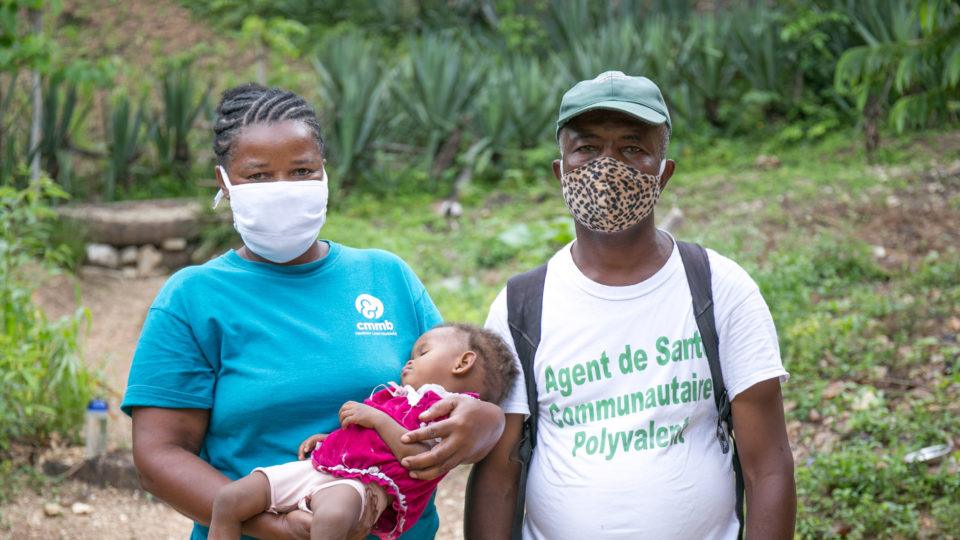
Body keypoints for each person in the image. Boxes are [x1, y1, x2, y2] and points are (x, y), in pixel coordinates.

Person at [121, 84, 506, 540]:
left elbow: (465, 393)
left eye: (302, 170)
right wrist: (275, 525)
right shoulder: (192, 298)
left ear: (325, 174)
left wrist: (487, 424)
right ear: (224, 183)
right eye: (259, 176)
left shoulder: (387, 277)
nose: (283, 190)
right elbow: (160, 456)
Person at [461, 72, 797, 539]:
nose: (607, 167)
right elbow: (499, 473)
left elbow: (770, 469)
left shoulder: (719, 287)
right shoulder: (522, 305)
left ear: (664, 173)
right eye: (587, 149)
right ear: (562, 173)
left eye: (632, 149)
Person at [208, 324, 518, 540]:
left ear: (463, 362)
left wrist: (376, 419)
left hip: (359, 485)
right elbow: (364, 442)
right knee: (229, 499)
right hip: (318, 467)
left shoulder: (448, 412)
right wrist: (331, 441)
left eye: (422, 352)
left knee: (330, 521)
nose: (409, 360)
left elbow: (419, 460)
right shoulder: (397, 395)